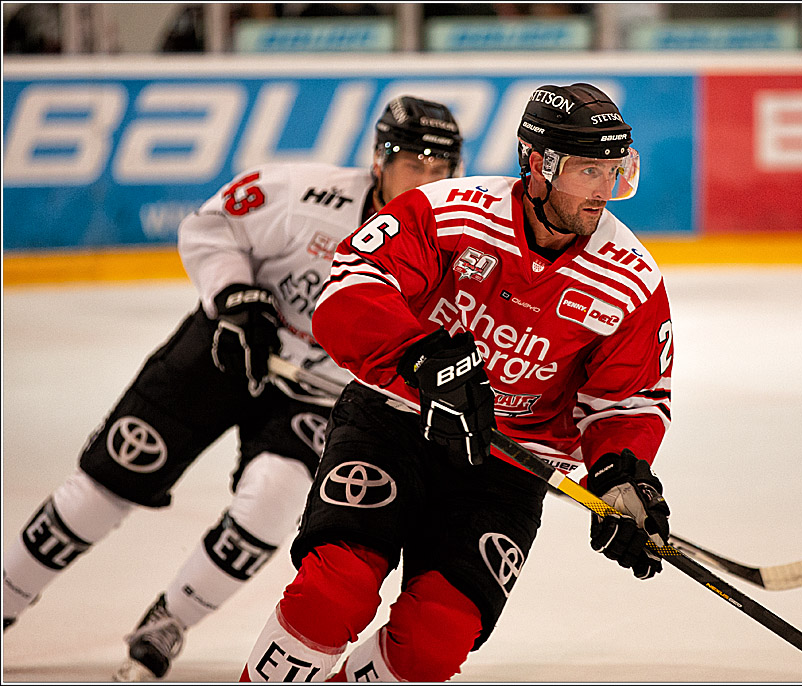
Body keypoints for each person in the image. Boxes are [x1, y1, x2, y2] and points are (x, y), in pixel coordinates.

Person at [1, 95, 464, 681]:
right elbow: (210, 223)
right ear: (378, 160)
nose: (423, 178)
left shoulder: (458, 248)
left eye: (438, 167)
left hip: (317, 391)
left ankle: (169, 619)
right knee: (104, 483)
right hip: (227, 349)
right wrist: (236, 297)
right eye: (412, 162)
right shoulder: (303, 195)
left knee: (272, 502)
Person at [239, 82, 674, 683]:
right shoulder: (449, 212)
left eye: (614, 170)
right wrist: (423, 358)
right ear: (537, 165)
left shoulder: (631, 277)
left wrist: (621, 472)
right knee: (331, 594)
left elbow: (631, 398)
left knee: (433, 643)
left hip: (508, 467)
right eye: (587, 170)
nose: (604, 190)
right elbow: (346, 290)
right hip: (395, 422)